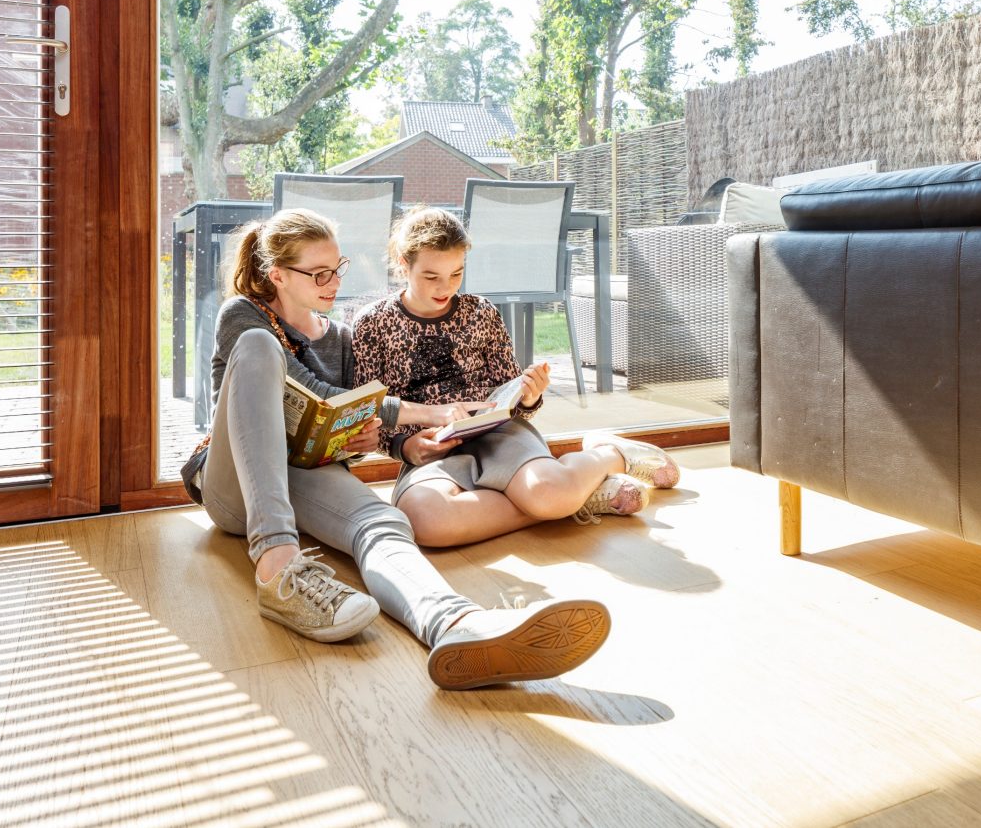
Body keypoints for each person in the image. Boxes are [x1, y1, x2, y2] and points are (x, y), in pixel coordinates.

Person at [179, 208, 609, 690]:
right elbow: (318, 394)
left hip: (301, 472)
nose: (332, 282)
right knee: (260, 347)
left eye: (336, 268)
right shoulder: (244, 316)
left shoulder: (341, 337)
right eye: (318, 273)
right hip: (233, 488)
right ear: (277, 274)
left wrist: (356, 441)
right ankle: (278, 568)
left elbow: (345, 418)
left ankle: (456, 626)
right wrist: (433, 412)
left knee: (384, 522)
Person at [352, 206, 681, 548]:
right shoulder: (372, 323)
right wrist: (404, 447)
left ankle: (608, 454)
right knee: (425, 522)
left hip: (499, 436)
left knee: (548, 490)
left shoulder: (481, 313)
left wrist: (528, 396)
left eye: (456, 273)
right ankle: (575, 498)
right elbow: (368, 412)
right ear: (404, 264)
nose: (445, 287)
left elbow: (513, 403)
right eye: (431, 276)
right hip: (430, 450)